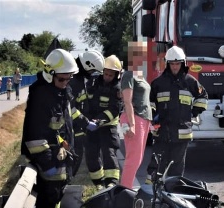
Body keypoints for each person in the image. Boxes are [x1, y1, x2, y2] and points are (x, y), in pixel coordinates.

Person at [21, 48, 78, 208]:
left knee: (57, 194)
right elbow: (34, 135)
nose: (65, 83)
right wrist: (47, 164)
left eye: (68, 79)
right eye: (62, 79)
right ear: (49, 74)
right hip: (47, 157)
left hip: (59, 155)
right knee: (47, 198)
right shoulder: (41, 96)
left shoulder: (60, 92)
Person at [145, 45, 208, 181]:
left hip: (182, 133)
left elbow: (203, 97)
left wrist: (193, 113)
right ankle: (150, 196)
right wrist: (154, 118)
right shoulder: (158, 83)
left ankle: (173, 196)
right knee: (156, 166)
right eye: (172, 64)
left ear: (183, 64)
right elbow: (149, 104)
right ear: (167, 64)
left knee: (176, 169)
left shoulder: (190, 82)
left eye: (177, 64)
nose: (174, 67)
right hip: (161, 132)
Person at [84, 55, 122, 189]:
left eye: (110, 75)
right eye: (105, 74)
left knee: (109, 153)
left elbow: (114, 109)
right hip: (91, 126)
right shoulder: (93, 82)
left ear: (116, 75)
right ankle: (98, 183)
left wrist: (99, 120)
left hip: (108, 126)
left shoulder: (117, 89)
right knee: (91, 154)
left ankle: (112, 183)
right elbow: (86, 101)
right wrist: (86, 119)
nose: (107, 77)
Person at [119, 41, 152, 189]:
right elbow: (127, 101)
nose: (141, 57)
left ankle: (127, 189)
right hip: (135, 118)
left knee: (137, 159)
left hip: (143, 119)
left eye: (142, 54)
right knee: (133, 159)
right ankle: (125, 191)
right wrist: (132, 124)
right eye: (137, 54)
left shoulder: (139, 75)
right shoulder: (128, 74)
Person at [68, 50, 105, 176]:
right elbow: (70, 109)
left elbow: (82, 104)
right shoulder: (73, 82)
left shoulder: (79, 79)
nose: (92, 74)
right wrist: (86, 122)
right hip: (71, 129)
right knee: (73, 159)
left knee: (75, 158)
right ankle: (63, 186)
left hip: (78, 128)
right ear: (87, 64)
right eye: (92, 71)